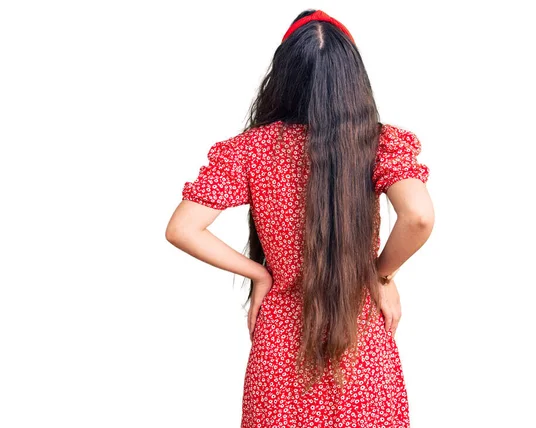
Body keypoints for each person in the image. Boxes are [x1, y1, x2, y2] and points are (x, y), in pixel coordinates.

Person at [165, 9, 434, 428]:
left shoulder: (251, 150)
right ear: (352, 77)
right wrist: (380, 276)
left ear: (285, 75)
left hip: (280, 349)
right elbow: (418, 215)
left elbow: (183, 228)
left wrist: (261, 274)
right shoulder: (378, 144)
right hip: (359, 342)